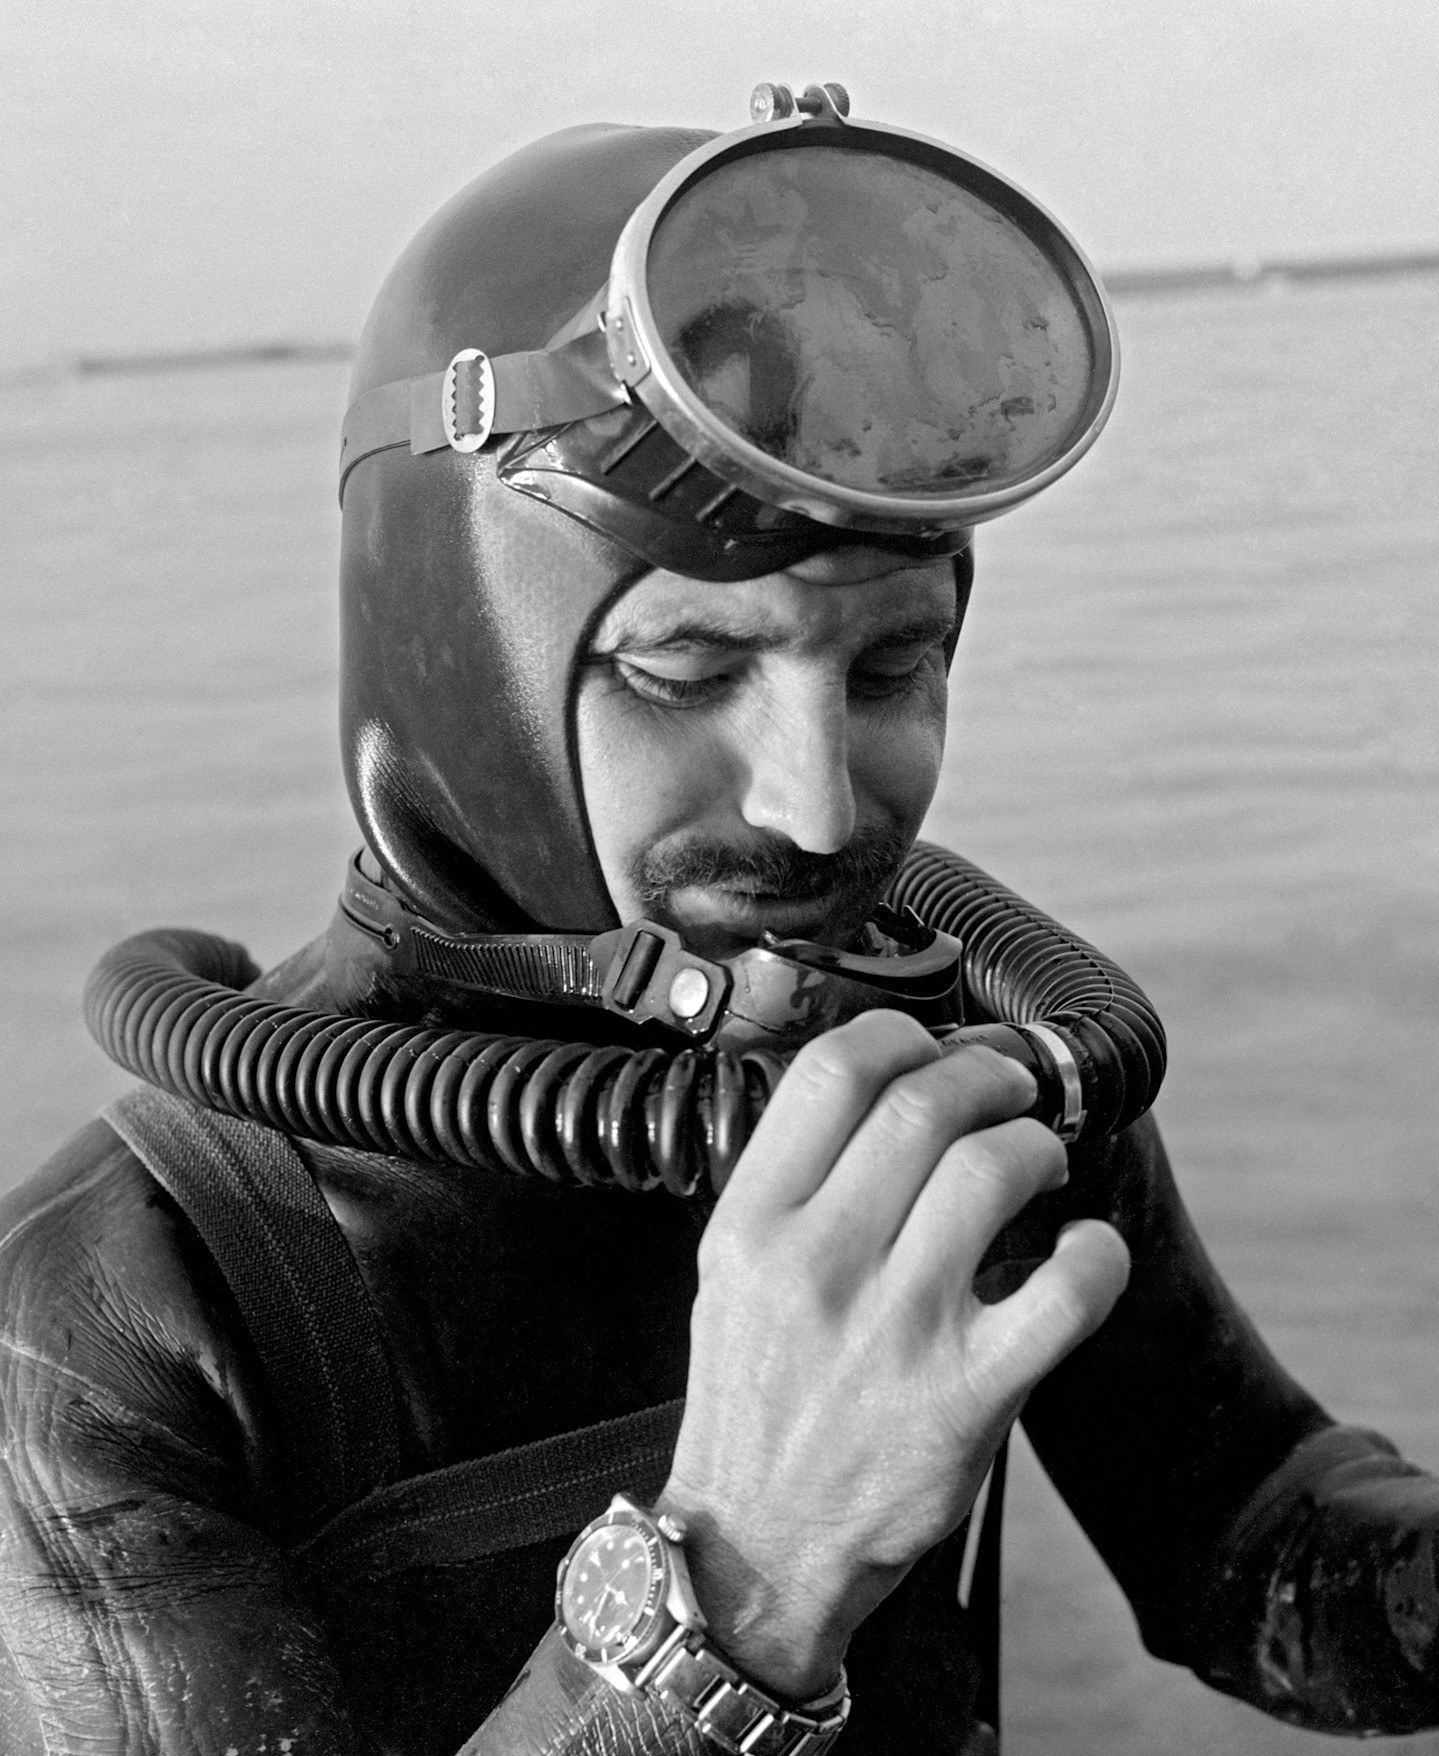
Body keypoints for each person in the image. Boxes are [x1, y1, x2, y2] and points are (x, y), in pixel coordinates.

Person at [2, 89, 1438, 1756]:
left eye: (891, 667)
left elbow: (1257, 1551)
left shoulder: (951, 1064)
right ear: (460, 657)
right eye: (688, 672)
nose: (818, 808)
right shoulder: (121, 1316)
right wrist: (745, 1585)